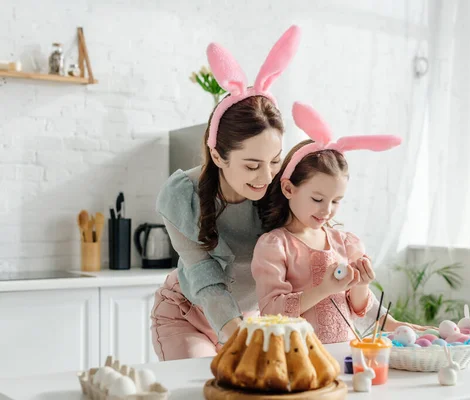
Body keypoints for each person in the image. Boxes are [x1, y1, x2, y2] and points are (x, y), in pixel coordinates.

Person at [150, 25, 301, 360]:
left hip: (250, 321)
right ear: (218, 155)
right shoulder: (181, 196)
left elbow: (315, 254)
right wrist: (242, 339)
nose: (266, 176)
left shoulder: (280, 189)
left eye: (274, 160)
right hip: (187, 315)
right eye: (251, 165)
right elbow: (206, 279)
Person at [251, 101, 413, 343]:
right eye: (317, 199)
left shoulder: (345, 243)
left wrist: (361, 284)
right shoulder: (275, 245)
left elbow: (359, 308)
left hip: (345, 354)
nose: (327, 210)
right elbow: (271, 311)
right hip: (298, 358)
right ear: (288, 188)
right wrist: (323, 289)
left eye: (337, 201)